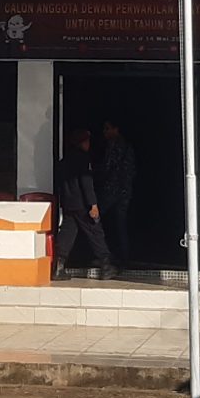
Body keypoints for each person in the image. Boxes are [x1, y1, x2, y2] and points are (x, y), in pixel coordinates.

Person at [52, 128, 116, 280]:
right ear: (82, 142)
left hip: (68, 204)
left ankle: (58, 267)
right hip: (82, 204)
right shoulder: (83, 160)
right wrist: (93, 204)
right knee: (95, 232)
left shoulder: (64, 161)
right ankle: (106, 266)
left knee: (67, 234)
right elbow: (86, 183)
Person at [96, 118, 137, 269]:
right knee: (120, 224)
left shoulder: (114, 146)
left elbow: (107, 167)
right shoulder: (128, 147)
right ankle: (123, 257)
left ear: (116, 129)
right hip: (125, 190)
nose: (105, 132)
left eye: (107, 128)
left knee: (95, 219)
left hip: (111, 190)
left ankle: (102, 255)